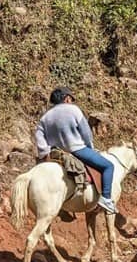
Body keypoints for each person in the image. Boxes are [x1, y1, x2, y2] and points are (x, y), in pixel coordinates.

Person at [35, 86, 117, 214]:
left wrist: (44, 153)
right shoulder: (73, 110)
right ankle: (106, 198)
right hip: (76, 150)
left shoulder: (45, 117)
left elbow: (39, 137)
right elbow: (86, 132)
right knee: (108, 166)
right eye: (71, 99)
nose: (72, 101)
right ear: (66, 98)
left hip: (54, 154)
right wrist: (90, 147)